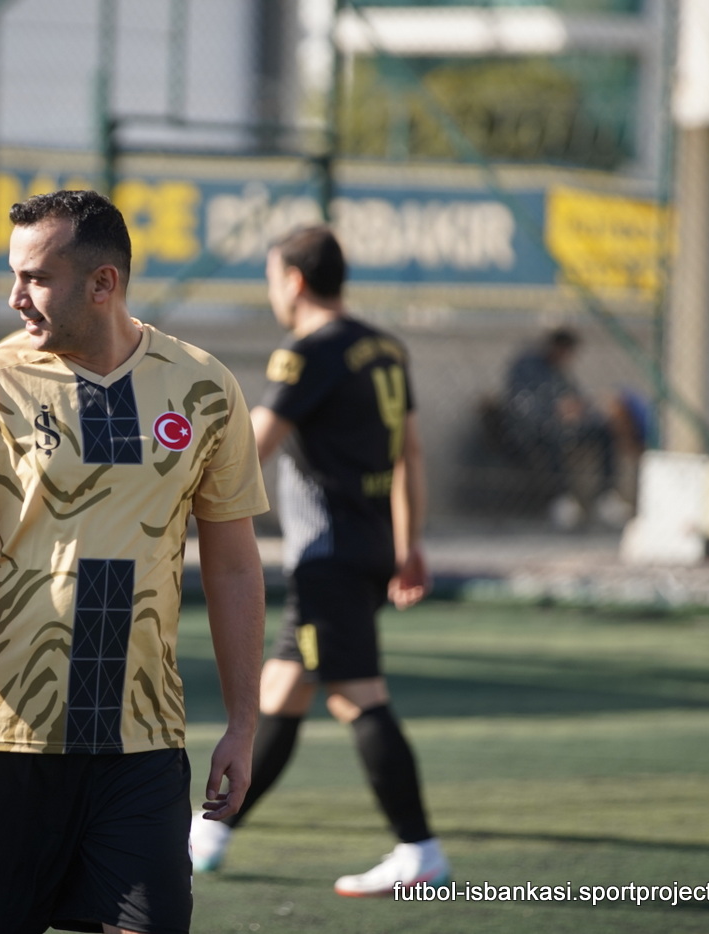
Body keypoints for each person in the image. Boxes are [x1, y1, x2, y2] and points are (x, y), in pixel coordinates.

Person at [0, 190, 269, 934]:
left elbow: (235, 568)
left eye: (36, 278)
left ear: (103, 283)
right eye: (14, 275)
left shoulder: (204, 389)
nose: (15, 296)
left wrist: (243, 725)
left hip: (141, 739)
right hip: (4, 735)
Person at [188, 225, 448, 897]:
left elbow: (252, 446)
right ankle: (209, 833)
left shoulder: (306, 352)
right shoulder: (384, 347)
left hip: (327, 556)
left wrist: (170, 493)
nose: (271, 292)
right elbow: (411, 454)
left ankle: (419, 849)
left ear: (295, 280)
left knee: (356, 696)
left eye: (271, 278)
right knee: (280, 691)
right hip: (366, 548)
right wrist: (408, 544)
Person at [500, 326, 630, 530]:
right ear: (556, 347)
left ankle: (606, 497)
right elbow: (525, 406)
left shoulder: (558, 371)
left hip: (564, 427)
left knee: (603, 430)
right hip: (532, 430)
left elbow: (573, 398)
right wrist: (555, 409)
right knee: (554, 436)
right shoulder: (527, 366)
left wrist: (580, 408)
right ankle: (562, 500)